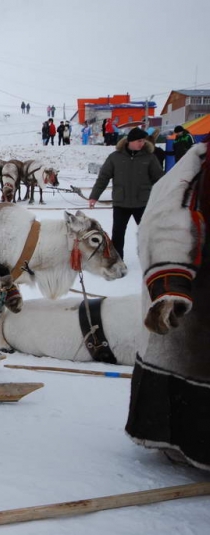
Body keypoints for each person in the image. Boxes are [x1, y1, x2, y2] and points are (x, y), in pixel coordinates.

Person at [125, 139, 210, 471]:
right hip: (202, 292)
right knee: (192, 361)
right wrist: (171, 283)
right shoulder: (198, 167)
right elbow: (169, 216)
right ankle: (183, 441)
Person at [87, 127, 164, 259]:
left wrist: (164, 198)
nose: (142, 143)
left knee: (147, 232)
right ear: (130, 141)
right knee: (118, 233)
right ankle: (117, 259)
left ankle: (150, 258)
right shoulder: (115, 157)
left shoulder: (150, 158)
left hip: (142, 203)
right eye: (139, 141)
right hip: (121, 202)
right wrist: (94, 196)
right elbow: (103, 177)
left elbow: (159, 179)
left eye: (143, 141)